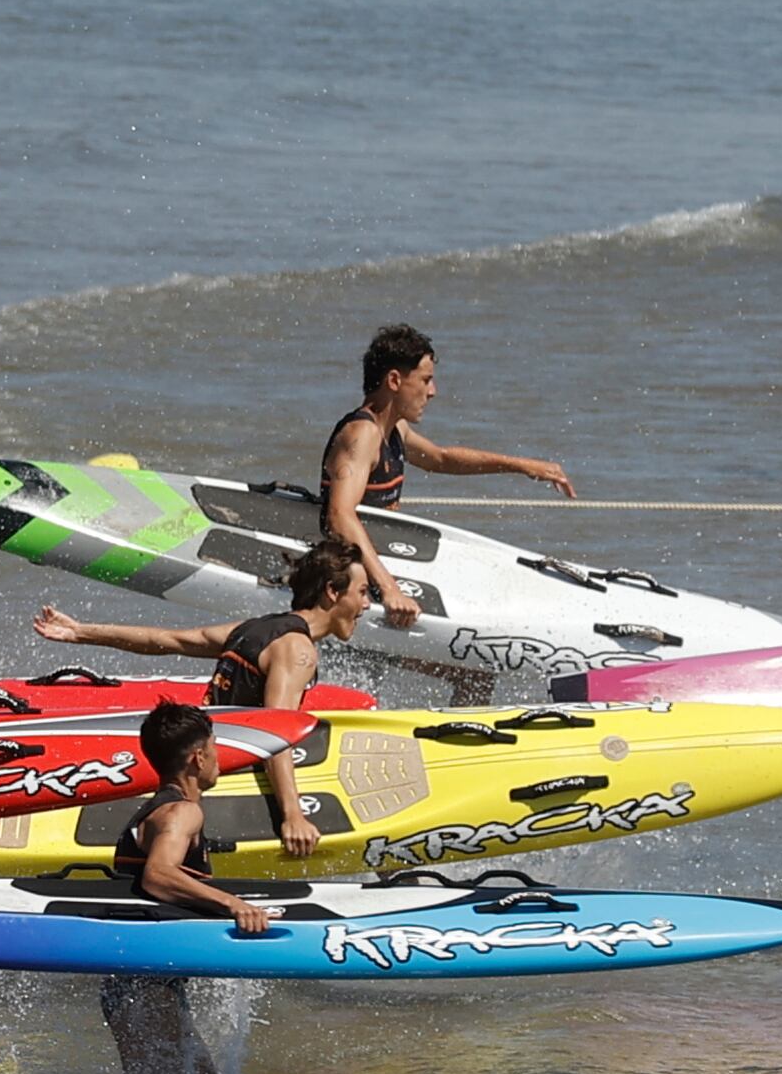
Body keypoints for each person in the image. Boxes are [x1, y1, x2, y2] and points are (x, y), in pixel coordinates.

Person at [31, 538, 376, 854]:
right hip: (220, 766)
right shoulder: (298, 651)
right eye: (362, 592)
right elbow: (274, 734)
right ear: (332, 591)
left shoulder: (256, 628)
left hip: (203, 748)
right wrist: (293, 815)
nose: (366, 604)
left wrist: (82, 631)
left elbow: (165, 640)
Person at [93, 701, 260, 1074]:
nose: (220, 758)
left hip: (136, 984)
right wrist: (232, 904)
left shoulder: (154, 809)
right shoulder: (183, 813)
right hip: (145, 987)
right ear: (197, 758)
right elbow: (159, 874)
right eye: (216, 748)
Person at [318, 324, 577, 610]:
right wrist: (389, 588)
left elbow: (440, 459)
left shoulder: (394, 429)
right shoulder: (361, 435)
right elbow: (339, 517)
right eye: (426, 380)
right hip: (347, 571)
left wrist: (524, 465)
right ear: (394, 380)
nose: (433, 391)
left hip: (381, 556)